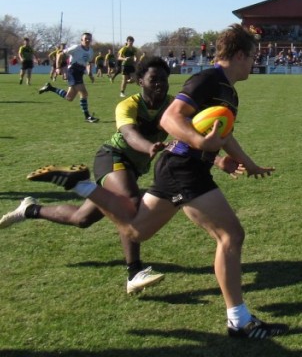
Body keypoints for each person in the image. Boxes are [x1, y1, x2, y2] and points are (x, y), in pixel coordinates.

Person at [27, 24, 288, 339]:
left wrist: (249, 163)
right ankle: (239, 320)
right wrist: (199, 142)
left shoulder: (226, 88)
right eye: (253, 56)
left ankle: (81, 185)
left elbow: (224, 134)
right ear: (239, 54)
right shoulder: (208, 79)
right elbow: (170, 118)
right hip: (184, 169)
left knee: (137, 230)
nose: (255, 62)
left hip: (179, 170)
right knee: (231, 235)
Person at [0, 57, 174, 294]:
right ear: (139, 80)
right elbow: (129, 133)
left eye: (163, 79)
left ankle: (29, 209)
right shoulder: (128, 105)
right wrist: (149, 147)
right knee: (130, 204)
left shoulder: (172, 106)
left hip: (132, 168)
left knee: (82, 219)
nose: (159, 84)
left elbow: (188, 133)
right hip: (112, 158)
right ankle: (134, 272)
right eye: (153, 79)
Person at [38, 32, 99, 123]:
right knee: (84, 93)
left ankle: (50, 88)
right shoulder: (76, 48)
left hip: (80, 72)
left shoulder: (90, 51)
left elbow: (88, 63)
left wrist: (90, 74)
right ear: (81, 40)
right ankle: (87, 116)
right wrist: (58, 67)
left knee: (69, 97)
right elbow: (60, 54)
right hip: (73, 71)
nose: (87, 40)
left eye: (89, 39)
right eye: (85, 38)